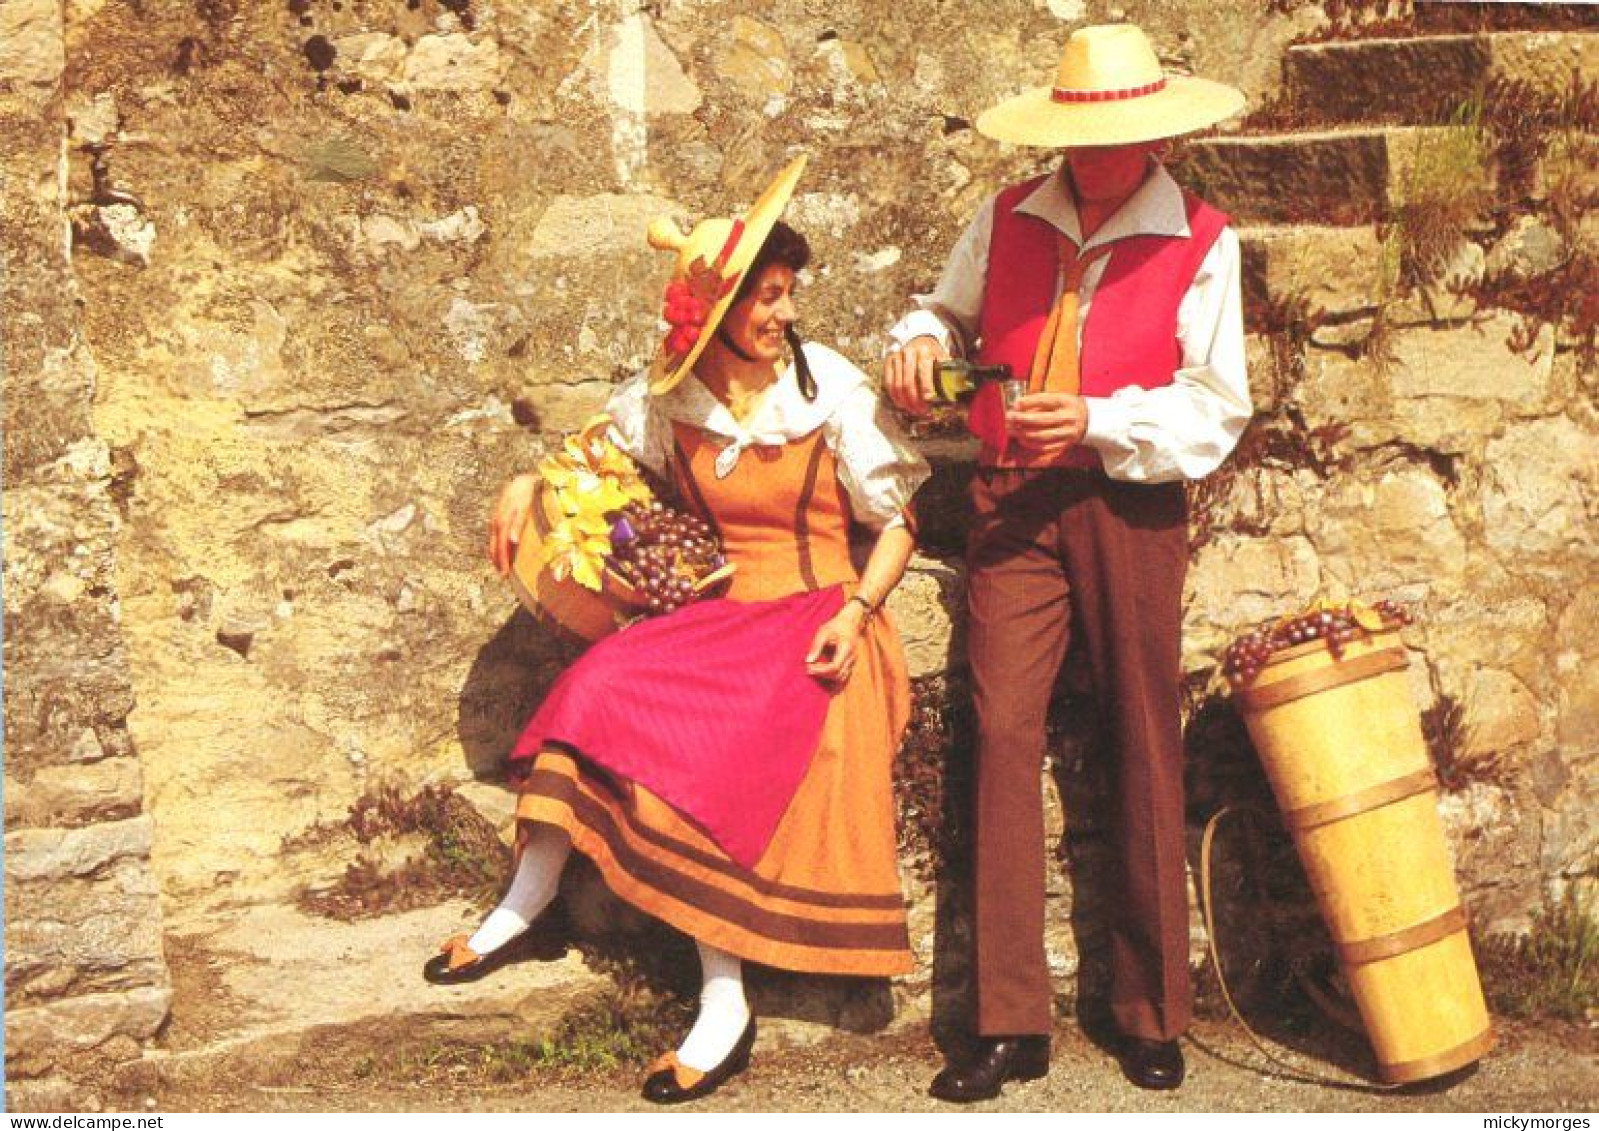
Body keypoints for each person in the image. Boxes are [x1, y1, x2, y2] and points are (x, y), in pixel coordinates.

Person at [425, 156, 930, 1105]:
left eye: (787, 294)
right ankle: (521, 908)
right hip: (716, 615)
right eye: (766, 298)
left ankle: (723, 1001)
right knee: (597, 683)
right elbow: (589, 460)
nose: (782, 313)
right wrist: (526, 481)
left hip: (823, 613)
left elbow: (899, 522)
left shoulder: (832, 393)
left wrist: (859, 615)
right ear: (720, 314)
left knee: (727, 742)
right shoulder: (671, 397)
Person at [883, 24, 1250, 1101]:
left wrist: (1092, 418)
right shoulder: (1005, 216)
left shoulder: (1201, 236)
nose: (1089, 155)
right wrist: (921, 343)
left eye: (1111, 136)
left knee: (1142, 730)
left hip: (1129, 504)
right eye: (1077, 135)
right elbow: (943, 314)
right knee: (999, 735)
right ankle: (1005, 1024)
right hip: (1010, 501)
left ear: (1149, 134)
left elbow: (1215, 407)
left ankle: (1150, 1012)